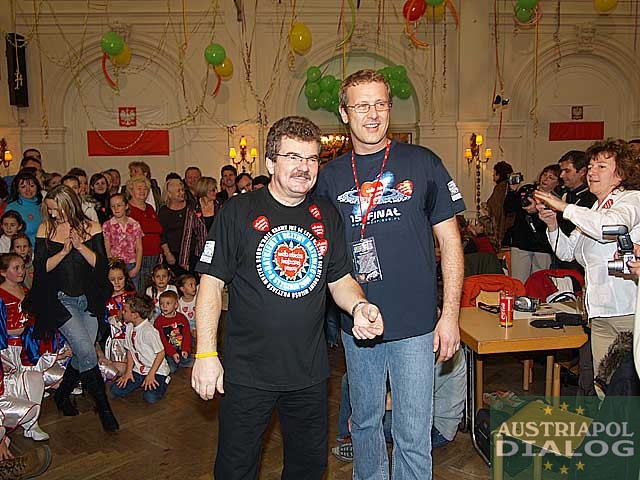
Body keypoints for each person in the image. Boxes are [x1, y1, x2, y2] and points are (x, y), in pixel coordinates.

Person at [191, 116, 384, 480]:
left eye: (311, 159)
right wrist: (205, 354)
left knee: (308, 468)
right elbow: (211, 284)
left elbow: (340, 278)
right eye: (293, 157)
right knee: (235, 469)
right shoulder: (238, 211)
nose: (304, 167)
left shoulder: (326, 214)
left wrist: (359, 306)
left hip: (308, 372)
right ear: (270, 162)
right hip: (248, 371)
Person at [315, 69, 464, 479]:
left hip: (416, 324)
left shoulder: (423, 162)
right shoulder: (328, 178)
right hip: (358, 324)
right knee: (364, 424)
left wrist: (450, 315)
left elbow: (451, 242)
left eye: (380, 103)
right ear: (344, 113)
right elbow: (320, 253)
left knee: (412, 431)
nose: (373, 114)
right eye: (362, 105)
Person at [535, 139, 640, 395]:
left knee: (626, 388)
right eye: (591, 166)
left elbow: (609, 227)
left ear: (620, 173)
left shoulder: (632, 200)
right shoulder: (594, 208)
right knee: (603, 385)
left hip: (627, 311)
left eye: (601, 166)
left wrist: (564, 207)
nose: (592, 172)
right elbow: (567, 252)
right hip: (599, 313)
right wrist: (552, 224)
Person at [22, 185, 118, 432]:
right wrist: (64, 251)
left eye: (57, 209)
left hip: (88, 299)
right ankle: (104, 409)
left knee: (82, 352)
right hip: (60, 300)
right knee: (86, 350)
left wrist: (80, 247)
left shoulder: (92, 227)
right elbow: (41, 268)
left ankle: (62, 394)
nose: (53, 214)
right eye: (50, 209)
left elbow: (101, 267)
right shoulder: (46, 229)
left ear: (70, 205)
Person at [504, 165, 561, 283]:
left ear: (557, 183)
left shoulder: (557, 200)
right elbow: (508, 208)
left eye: (551, 177)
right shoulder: (527, 190)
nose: (546, 179)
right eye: (544, 175)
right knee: (519, 282)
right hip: (521, 242)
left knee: (540, 282)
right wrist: (513, 191)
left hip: (543, 245)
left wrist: (537, 209)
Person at [110, 294, 171, 404]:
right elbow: (130, 350)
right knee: (115, 389)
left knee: (150, 397)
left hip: (156, 370)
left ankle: (164, 381)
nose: (122, 312)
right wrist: (128, 372)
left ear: (135, 315)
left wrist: (151, 374)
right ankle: (141, 381)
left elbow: (161, 353)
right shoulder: (129, 327)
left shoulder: (149, 331)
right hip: (139, 370)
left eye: (125, 311)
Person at [158, 179, 207, 275]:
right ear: (169, 194)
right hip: (172, 254)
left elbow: (200, 230)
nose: (182, 193)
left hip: (191, 254)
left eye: (182, 190)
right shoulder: (164, 212)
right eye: (178, 191)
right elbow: (162, 235)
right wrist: (167, 253)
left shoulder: (191, 208)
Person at [101, 259, 137, 378]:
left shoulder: (132, 296)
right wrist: (116, 318)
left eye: (120, 278)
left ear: (126, 277)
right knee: (119, 371)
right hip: (117, 340)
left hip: (134, 337)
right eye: (112, 279)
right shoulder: (104, 298)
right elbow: (103, 322)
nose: (117, 282)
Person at [126, 176, 163, 292]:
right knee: (140, 288)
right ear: (131, 191)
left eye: (145, 188)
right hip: (138, 256)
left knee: (151, 288)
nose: (143, 191)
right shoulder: (128, 210)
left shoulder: (150, 208)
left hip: (154, 254)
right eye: (139, 188)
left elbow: (157, 230)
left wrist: (160, 251)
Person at [102, 193, 143, 287]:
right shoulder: (107, 225)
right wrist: (111, 264)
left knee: (133, 290)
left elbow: (139, 247)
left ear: (126, 206)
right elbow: (107, 247)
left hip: (132, 263)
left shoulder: (134, 224)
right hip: (116, 265)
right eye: (113, 206)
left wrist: (137, 267)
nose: (116, 208)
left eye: (119, 205)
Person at [154, 290, 193, 373]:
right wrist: (172, 353)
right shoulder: (158, 321)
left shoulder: (182, 318)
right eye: (161, 304)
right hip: (167, 352)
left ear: (176, 305)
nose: (164, 306)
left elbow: (187, 335)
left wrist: (185, 349)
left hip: (181, 349)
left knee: (191, 362)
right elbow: (162, 340)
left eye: (168, 303)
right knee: (171, 369)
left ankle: (181, 361)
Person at [6, 171, 42, 245]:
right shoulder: (11, 208)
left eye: (32, 186)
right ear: (17, 189)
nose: (28, 190)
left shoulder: (44, 205)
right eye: (23, 187)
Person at [485, 160, 515, 246]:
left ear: (499, 175)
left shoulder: (500, 187)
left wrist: (487, 206)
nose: (493, 176)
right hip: (511, 224)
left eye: (494, 174)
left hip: (503, 224)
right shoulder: (510, 186)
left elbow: (495, 207)